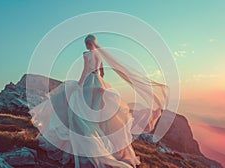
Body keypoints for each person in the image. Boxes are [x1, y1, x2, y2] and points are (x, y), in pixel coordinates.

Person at [29, 34, 167, 168]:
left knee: (79, 113)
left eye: (87, 43)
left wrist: (79, 84)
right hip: (99, 84)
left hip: (89, 82)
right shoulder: (100, 55)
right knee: (99, 118)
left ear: (88, 44)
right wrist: (99, 81)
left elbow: (85, 71)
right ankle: (103, 147)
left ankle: (82, 146)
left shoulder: (86, 54)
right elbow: (102, 73)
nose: (87, 45)